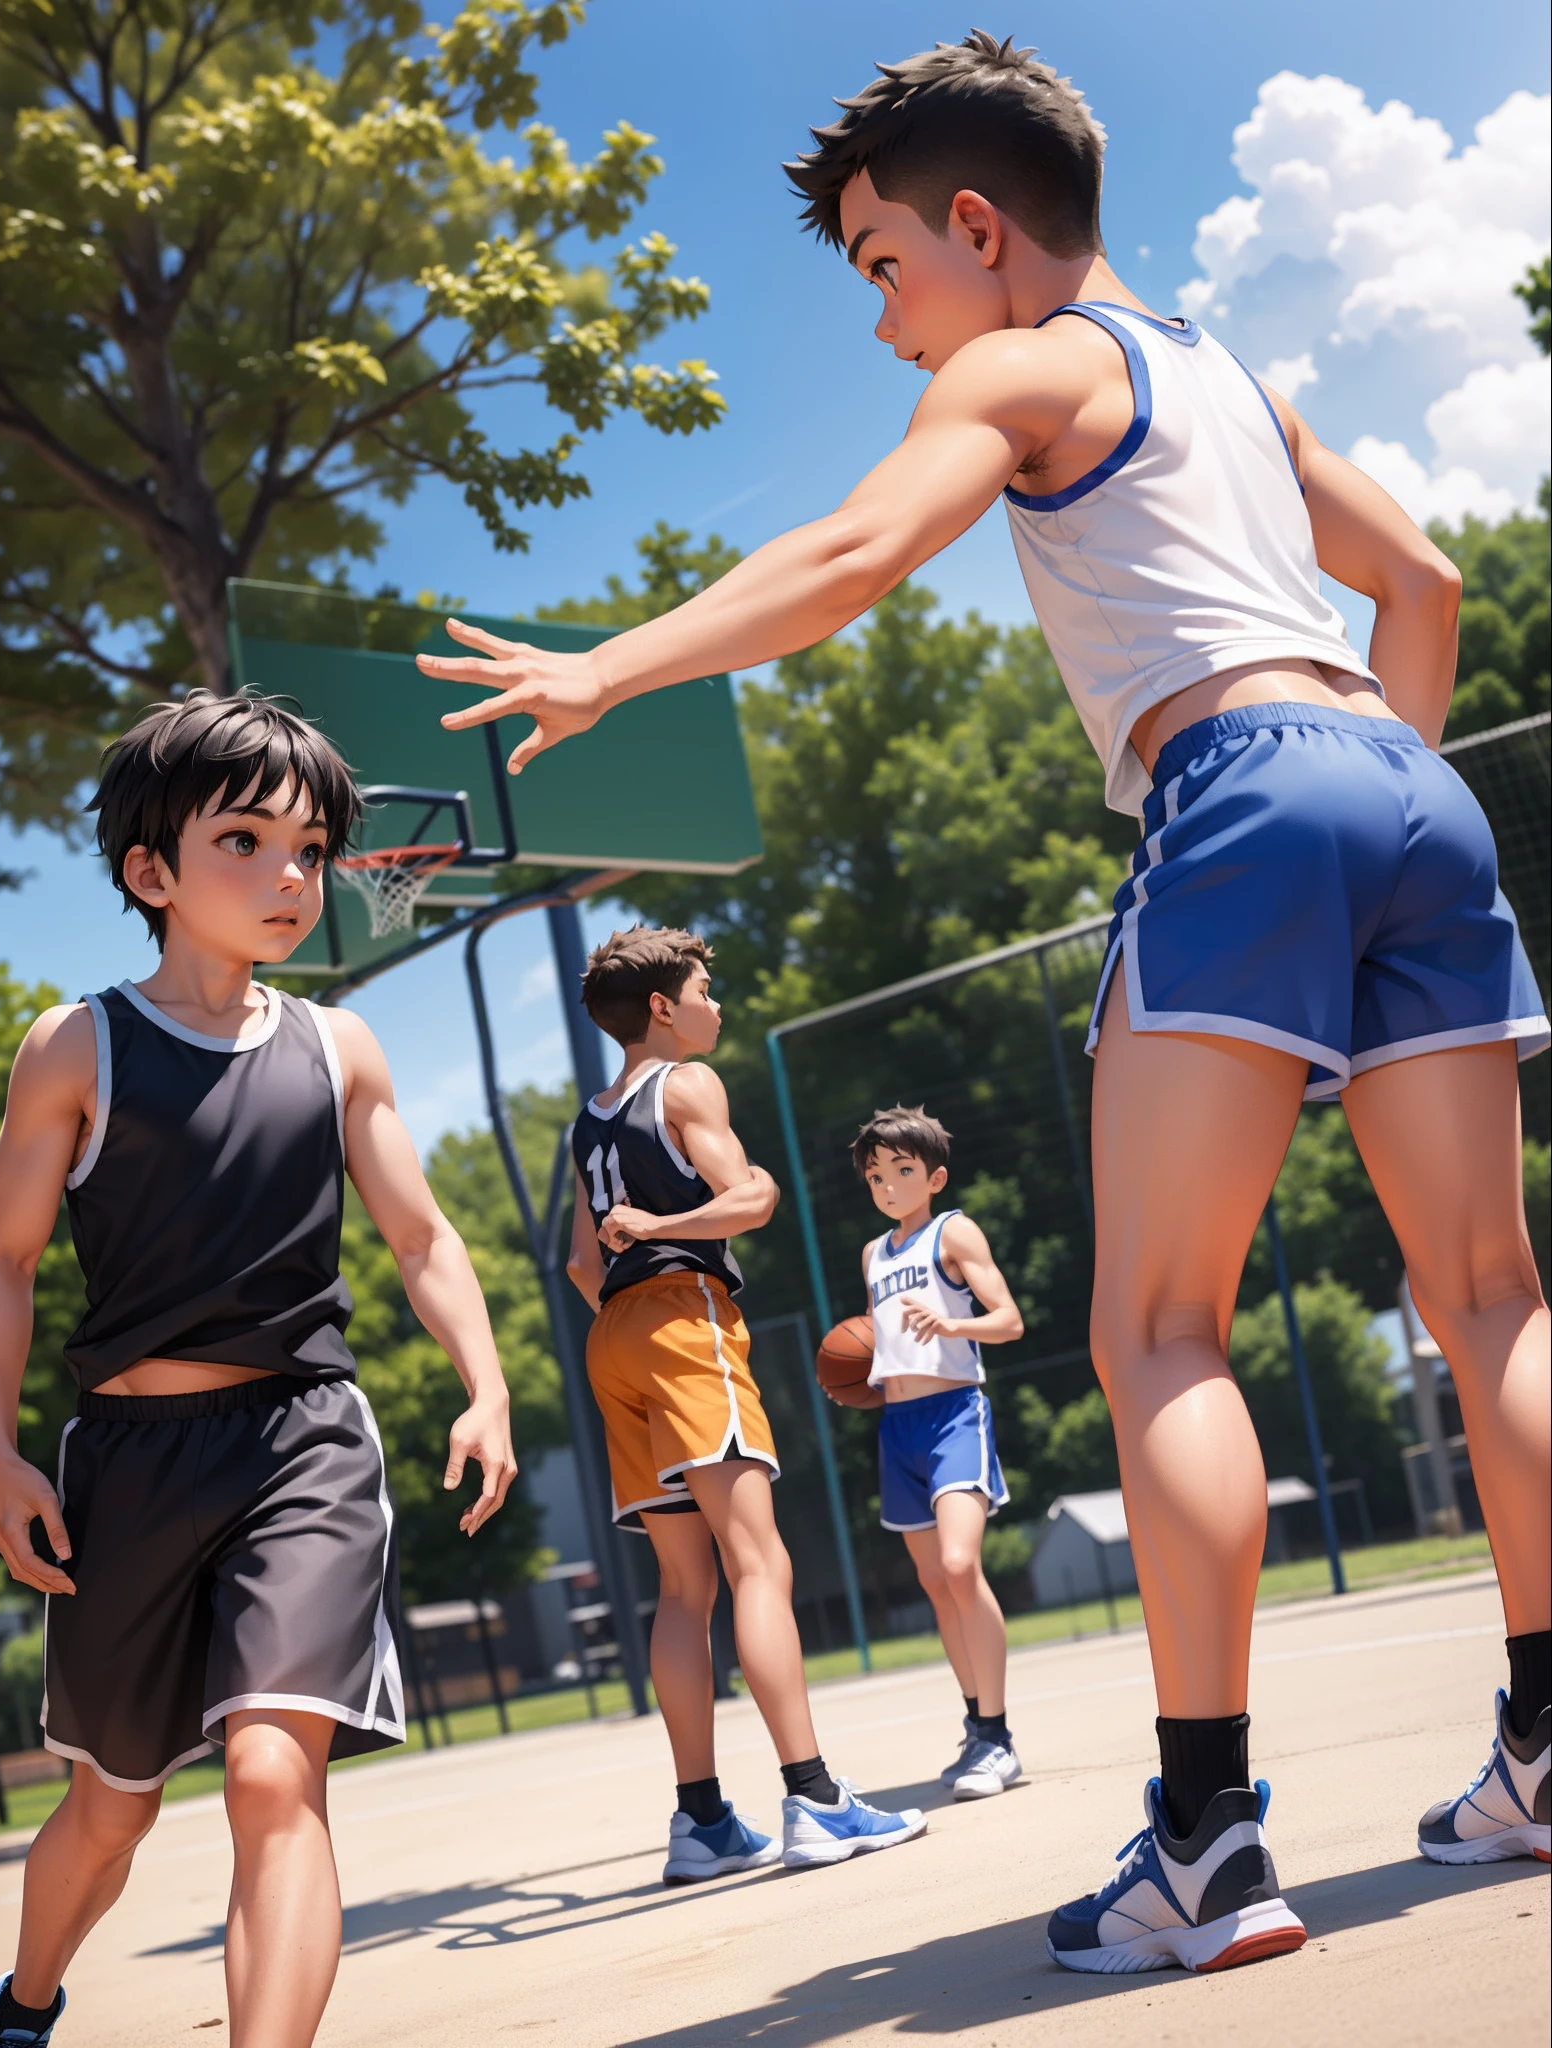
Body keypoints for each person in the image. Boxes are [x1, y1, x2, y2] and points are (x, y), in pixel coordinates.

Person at [418, 29, 1551, 1971]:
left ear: (976, 226)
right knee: (1495, 1293)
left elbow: (859, 551)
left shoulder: (1035, 363)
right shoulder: (1235, 384)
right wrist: (1369, 827)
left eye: (881, 268)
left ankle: (1205, 1836)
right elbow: (1428, 583)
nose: (884, 324)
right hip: (1403, 788)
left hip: (1245, 793)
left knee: (1165, 1330)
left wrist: (611, 667)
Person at [0, 693, 516, 2048]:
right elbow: (4, 1265)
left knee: (276, 1774)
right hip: (130, 1466)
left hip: (303, 1446)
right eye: (246, 841)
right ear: (151, 872)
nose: (289, 876)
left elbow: (421, 1232)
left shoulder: (338, 1048)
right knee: (112, 1808)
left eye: (311, 851)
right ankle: (25, 2009)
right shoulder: (75, 1048)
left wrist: (485, 1381)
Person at [566, 925, 926, 1879]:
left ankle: (702, 1822)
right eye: (703, 988)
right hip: (686, 1316)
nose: (714, 1005)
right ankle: (813, 1799)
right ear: (660, 1008)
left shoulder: (587, 1120)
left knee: (685, 1588)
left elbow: (577, 1259)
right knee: (759, 1563)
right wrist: (672, 1230)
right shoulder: (685, 1083)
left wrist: (634, 1274)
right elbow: (749, 1200)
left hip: (613, 1338)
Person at [850, 1105, 1026, 1799]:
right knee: (934, 1584)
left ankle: (1002, 1737)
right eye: (875, 1176)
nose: (888, 1185)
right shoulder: (873, 1254)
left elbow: (1008, 1319)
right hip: (898, 1428)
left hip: (955, 1413)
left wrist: (952, 1322)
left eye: (901, 1171)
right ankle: (978, 1730)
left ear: (935, 1177)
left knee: (960, 1564)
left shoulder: (954, 1232)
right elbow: (879, 1340)